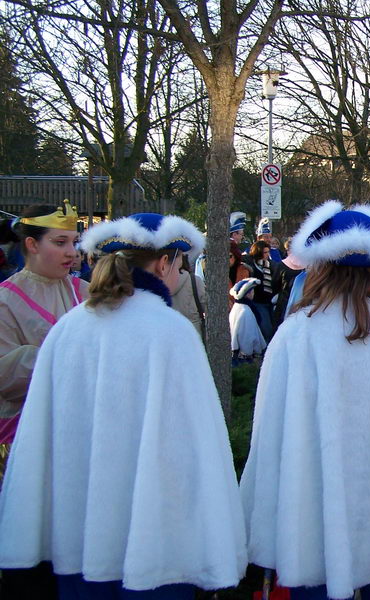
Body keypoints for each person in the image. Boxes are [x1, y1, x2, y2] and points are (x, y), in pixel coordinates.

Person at [0, 212, 247, 599]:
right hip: (156, 543)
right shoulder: (170, 331)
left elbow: (40, 437)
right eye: (179, 265)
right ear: (164, 263)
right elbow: (194, 444)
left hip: (75, 534)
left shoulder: (69, 328)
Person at [240, 200, 370, 600]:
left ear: (321, 263)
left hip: (312, 525)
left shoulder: (294, 334)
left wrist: (261, 520)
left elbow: (268, 441)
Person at [0, 202, 88, 476]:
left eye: (74, 242)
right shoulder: (6, 300)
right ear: (32, 244)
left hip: (81, 430)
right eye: (60, 242)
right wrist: (62, 352)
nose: (71, 253)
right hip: (26, 433)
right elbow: (6, 376)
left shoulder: (86, 292)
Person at [245, 240, 280, 341]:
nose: (267, 254)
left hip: (270, 301)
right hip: (258, 302)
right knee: (266, 328)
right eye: (265, 252)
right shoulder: (251, 265)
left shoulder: (271, 265)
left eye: (268, 252)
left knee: (274, 327)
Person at [230, 277, 267, 363]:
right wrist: (251, 354)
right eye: (252, 291)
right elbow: (248, 337)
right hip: (245, 358)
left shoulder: (237, 307)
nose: (253, 293)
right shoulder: (246, 312)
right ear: (248, 294)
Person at [170, 253, 207, 339]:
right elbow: (206, 306)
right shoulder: (194, 281)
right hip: (193, 332)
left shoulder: (158, 283)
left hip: (169, 333)